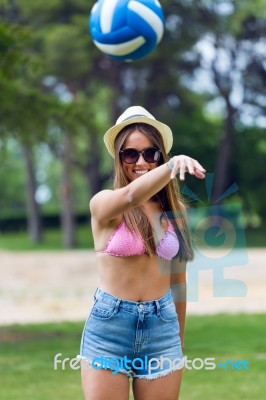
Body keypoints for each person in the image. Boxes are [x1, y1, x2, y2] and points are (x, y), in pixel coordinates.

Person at [78, 106, 206, 400]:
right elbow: (133, 195)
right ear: (118, 158)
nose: (141, 162)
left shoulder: (174, 213)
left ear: (159, 156)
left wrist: (178, 339)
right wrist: (172, 166)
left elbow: (178, 282)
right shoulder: (104, 203)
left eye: (151, 154)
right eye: (130, 154)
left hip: (162, 329)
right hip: (109, 328)